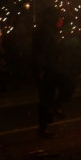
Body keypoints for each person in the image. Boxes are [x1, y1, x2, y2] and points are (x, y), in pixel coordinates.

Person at [31, 7, 71, 138]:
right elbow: (39, 53)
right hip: (46, 69)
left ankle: (43, 128)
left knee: (46, 98)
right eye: (60, 19)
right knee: (68, 83)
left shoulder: (50, 31)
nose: (61, 21)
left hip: (48, 67)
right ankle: (56, 107)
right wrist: (39, 70)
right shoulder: (44, 33)